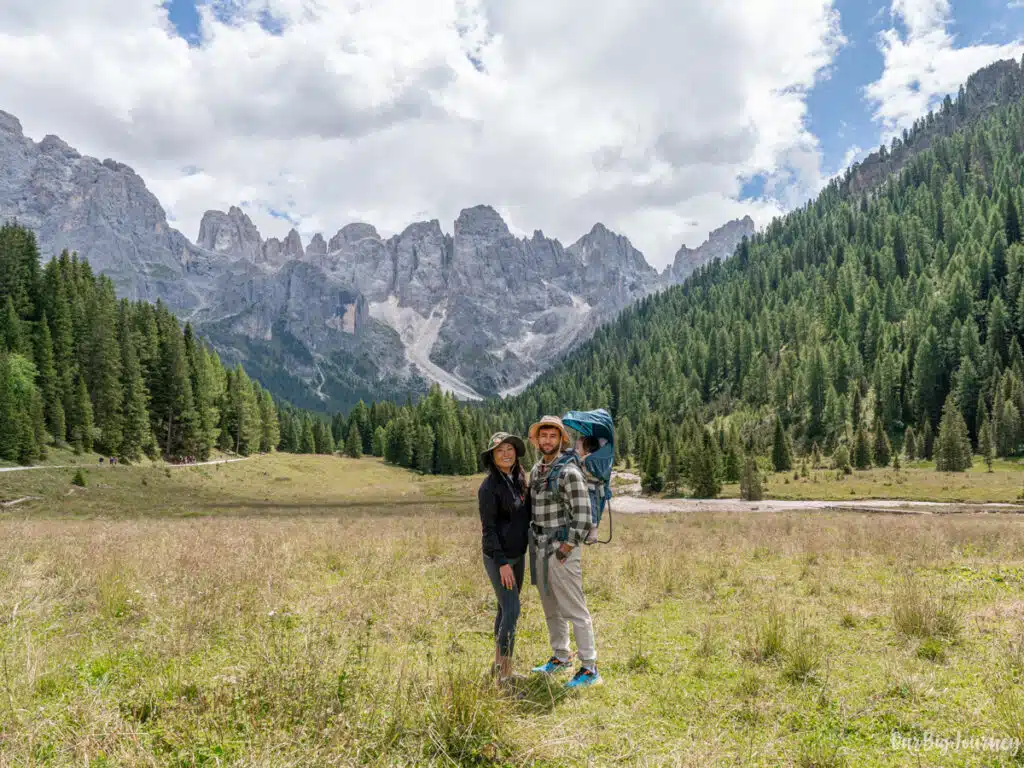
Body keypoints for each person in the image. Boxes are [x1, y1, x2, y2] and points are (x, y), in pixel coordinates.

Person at [527, 415, 602, 689]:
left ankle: (590, 667)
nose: (547, 441)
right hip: (538, 548)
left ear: (561, 440)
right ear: (537, 440)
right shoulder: (536, 470)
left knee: (574, 608)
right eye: (543, 436)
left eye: (553, 436)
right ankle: (561, 657)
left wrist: (566, 547)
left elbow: (583, 515)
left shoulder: (569, 472)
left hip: (561, 549)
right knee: (551, 607)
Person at [477, 431, 531, 683]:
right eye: (500, 451)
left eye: (509, 448)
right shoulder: (489, 487)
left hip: (518, 555)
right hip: (500, 559)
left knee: (503, 609)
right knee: (512, 610)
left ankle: (498, 667)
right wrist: (501, 564)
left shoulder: (519, 479)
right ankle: (505, 676)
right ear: (492, 457)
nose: (506, 453)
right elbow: (488, 530)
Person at [576, 435, 603, 545]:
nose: (577, 450)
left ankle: (593, 533)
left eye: (579, 448)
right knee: (590, 509)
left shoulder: (588, 459)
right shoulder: (592, 458)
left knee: (591, 509)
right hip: (592, 488)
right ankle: (589, 532)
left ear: (586, 450)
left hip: (590, 488)